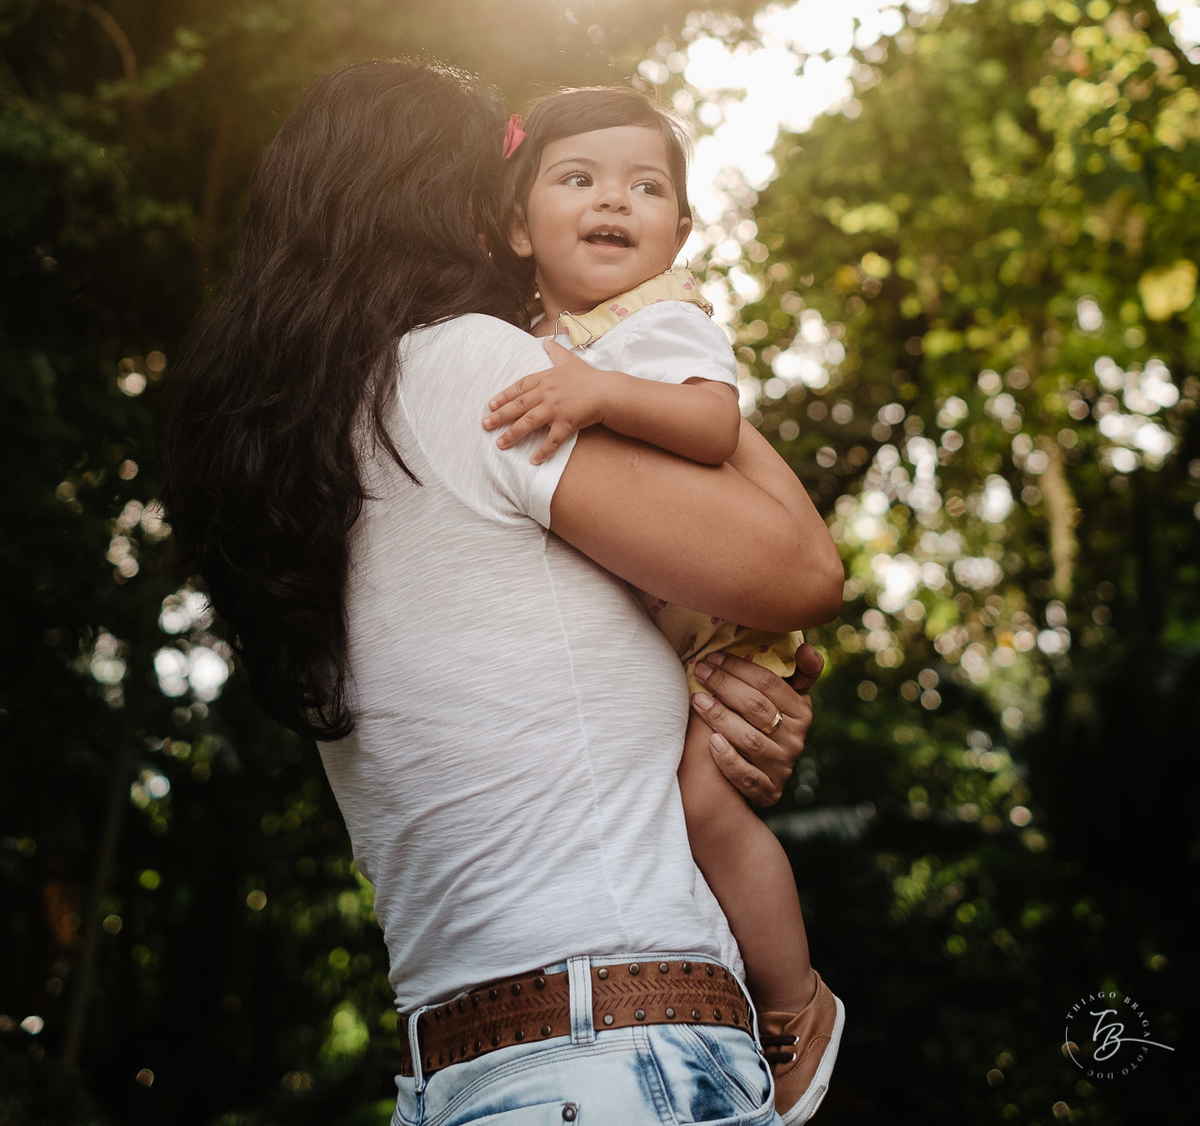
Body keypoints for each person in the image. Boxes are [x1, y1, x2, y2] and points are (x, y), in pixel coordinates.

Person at [164, 58, 844, 1126]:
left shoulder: (303, 455)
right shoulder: (476, 372)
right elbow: (802, 568)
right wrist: (660, 340)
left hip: (463, 1070)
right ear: (467, 213)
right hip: (618, 1049)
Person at [482, 87, 844, 1123]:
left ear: (677, 235)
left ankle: (793, 1002)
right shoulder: (542, 332)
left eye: (646, 188)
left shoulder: (657, 321)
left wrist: (596, 393)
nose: (614, 201)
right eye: (578, 179)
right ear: (517, 225)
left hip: (717, 626)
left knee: (698, 804)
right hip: (665, 613)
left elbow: (711, 423)